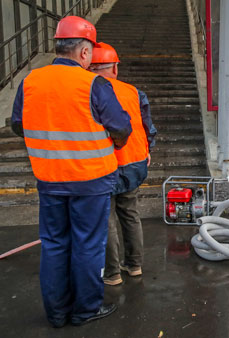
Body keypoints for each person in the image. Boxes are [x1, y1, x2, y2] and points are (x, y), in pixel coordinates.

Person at [11, 16, 132, 327]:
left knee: (54, 245)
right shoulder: (94, 84)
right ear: (83, 53)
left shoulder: (30, 82)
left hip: (49, 180)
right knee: (88, 245)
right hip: (91, 181)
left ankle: (57, 313)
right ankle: (85, 309)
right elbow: (121, 128)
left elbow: (17, 125)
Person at [88, 42, 157, 286]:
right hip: (133, 162)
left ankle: (112, 273)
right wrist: (147, 150)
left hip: (102, 166)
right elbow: (147, 126)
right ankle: (135, 265)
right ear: (114, 68)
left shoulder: (87, 92)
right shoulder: (134, 92)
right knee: (130, 214)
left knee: (105, 220)